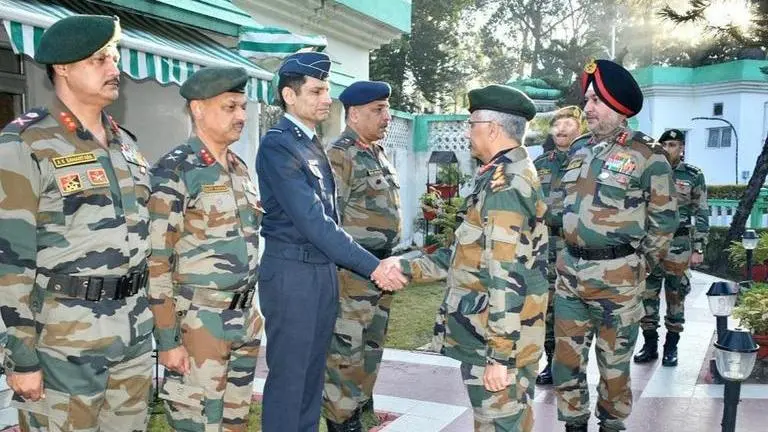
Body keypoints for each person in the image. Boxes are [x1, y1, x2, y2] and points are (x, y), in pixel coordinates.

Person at [0, 15, 154, 431]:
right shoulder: (25, 143)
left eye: (115, 57)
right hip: (65, 342)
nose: (113, 68)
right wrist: (21, 356)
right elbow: (9, 261)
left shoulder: (127, 145)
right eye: (99, 59)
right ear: (62, 68)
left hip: (133, 332)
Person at [255, 52, 406, 432]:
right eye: (317, 90)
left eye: (327, 90)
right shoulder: (278, 145)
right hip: (293, 275)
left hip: (321, 273)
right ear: (289, 96)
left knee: (311, 381)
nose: (327, 98)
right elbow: (315, 222)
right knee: (291, 382)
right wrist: (374, 266)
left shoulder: (310, 143)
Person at [398, 84, 549, 431]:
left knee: (501, 424)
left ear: (492, 129)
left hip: (496, 342)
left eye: (471, 124)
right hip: (495, 335)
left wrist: (500, 356)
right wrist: (404, 266)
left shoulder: (506, 186)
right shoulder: (500, 177)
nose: (467, 132)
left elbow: (505, 274)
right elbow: (467, 254)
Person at [552, 59, 678, 432]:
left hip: (618, 279)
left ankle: (611, 425)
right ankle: (573, 424)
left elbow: (664, 220)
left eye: (595, 101)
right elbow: (562, 209)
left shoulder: (648, 155)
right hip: (570, 275)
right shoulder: (577, 150)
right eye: (587, 99)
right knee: (566, 360)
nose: (587, 108)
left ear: (619, 107)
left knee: (614, 364)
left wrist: (638, 266)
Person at [148, 67, 264, 431]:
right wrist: (168, 341)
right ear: (198, 109)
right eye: (230, 107)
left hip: (244, 319)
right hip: (199, 325)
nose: (241, 116)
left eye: (243, 107)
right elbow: (156, 261)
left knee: (234, 423)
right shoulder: (176, 170)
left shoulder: (238, 168)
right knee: (198, 423)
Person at [322, 81, 402, 431]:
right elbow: (329, 222)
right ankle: (342, 422)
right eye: (378, 110)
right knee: (345, 355)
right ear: (353, 114)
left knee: (370, 351)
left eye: (387, 109)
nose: (387, 116)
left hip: (380, 273)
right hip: (352, 274)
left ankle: (359, 413)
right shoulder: (340, 155)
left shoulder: (376, 152)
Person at [634, 129, 708, 367]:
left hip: (678, 244)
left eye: (673, 144)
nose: (668, 148)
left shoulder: (693, 175)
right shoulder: (649, 170)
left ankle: (671, 347)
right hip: (652, 243)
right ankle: (650, 344)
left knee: (676, 295)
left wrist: (699, 248)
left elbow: (702, 210)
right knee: (647, 295)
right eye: (664, 144)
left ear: (682, 147)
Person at [533, 106, 584, 385]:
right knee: (549, 307)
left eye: (568, 124)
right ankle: (551, 362)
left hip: (579, 249)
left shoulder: (589, 160)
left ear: (580, 129)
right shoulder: (540, 164)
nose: (561, 130)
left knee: (577, 309)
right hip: (546, 247)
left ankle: (576, 363)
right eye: (557, 125)